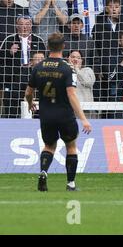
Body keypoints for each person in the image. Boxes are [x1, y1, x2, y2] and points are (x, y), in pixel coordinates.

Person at [24, 32, 92, 192]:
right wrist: (83, 119)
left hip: (46, 115)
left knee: (49, 146)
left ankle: (43, 172)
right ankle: (70, 184)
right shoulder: (67, 69)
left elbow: (28, 92)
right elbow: (71, 94)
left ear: (48, 47)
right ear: (63, 46)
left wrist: (30, 103)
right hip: (65, 115)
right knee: (71, 146)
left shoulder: (38, 67)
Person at [0, 14, 46, 118]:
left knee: (36, 105)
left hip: (33, 75)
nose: (24, 27)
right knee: (12, 106)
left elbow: (44, 58)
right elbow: (1, 60)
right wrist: (9, 52)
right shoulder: (9, 39)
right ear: (17, 26)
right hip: (14, 77)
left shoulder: (38, 40)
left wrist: (36, 61)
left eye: (27, 24)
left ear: (31, 26)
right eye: (21, 24)